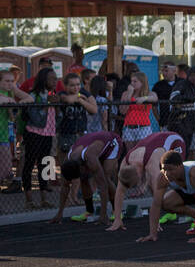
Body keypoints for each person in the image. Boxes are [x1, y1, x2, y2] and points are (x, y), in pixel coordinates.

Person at [107, 129, 186, 231]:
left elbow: (157, 194)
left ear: (140, 175)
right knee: (153, 182)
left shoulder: (152, 165)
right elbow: (120, 190)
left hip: (174, 140)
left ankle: (190, 207)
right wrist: (117, 219)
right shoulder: (126, 162)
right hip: (155, 143)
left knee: (177, 175)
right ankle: (173, 212)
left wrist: (155, 223)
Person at [51, 130, 122, 224]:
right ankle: (89, 211)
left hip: (112, 142)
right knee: (84, 178)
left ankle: (116, 211)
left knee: (105, 177)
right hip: (95, 145)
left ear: (82, 166)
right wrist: (59, 213)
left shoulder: (90, 157)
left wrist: (103, 215)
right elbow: (65, 186)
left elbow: (102, 185)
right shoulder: (68, 160)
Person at [20, 66, 59, 208]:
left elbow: (57, 117)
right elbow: (35, 118)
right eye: (52, 79)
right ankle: (29, 199)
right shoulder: (34, 95)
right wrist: (47, 104)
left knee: (45, 164)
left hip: (48, 133)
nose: (55, 81)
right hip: (34, 133)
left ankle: (44, 199)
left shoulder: (53, 93)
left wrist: (57, 105)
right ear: (44, 79)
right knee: (29, 165)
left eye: (56, 78)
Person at [118, 70, 157, 145]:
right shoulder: (126, 93)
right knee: (130, 152)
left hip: (143, 127)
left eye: (135, 81)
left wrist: (144, 98)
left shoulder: (149, 93)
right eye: (131, 81)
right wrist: (129, 94)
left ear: (142, 83)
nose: (132, 83)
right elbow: (122, 111)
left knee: (142, 151)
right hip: (129, 127)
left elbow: (155, 98)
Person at [152, 61, 179, 126]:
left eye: (166, 71)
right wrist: (159, 120)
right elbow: (154, 106)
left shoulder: (181, 83)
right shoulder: (158, 86)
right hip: (165, 122)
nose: (163, 73)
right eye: (162, 71)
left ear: (174, 71)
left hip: (181, 121)